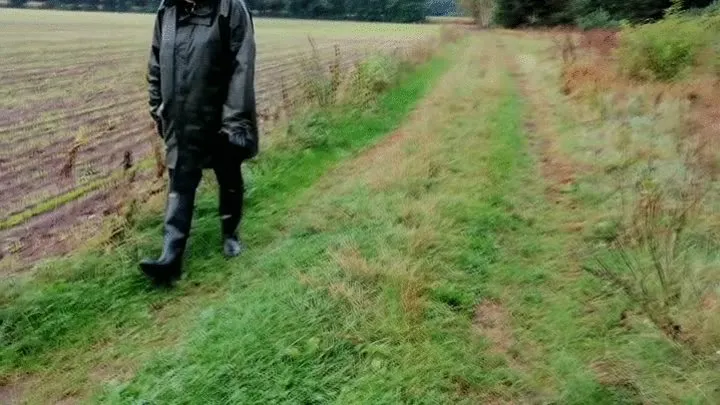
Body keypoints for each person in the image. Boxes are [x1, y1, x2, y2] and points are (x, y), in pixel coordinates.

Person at [140, 0, 258, 284]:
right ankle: (171, 257)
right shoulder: (167, 11)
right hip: (180, 116)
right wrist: (157, 105)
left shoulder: (230, 9)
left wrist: (235, 121)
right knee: (180, 180)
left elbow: (242, 66)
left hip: (220, 115)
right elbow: (156, 60)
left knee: (228, 176)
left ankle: (230, 232)